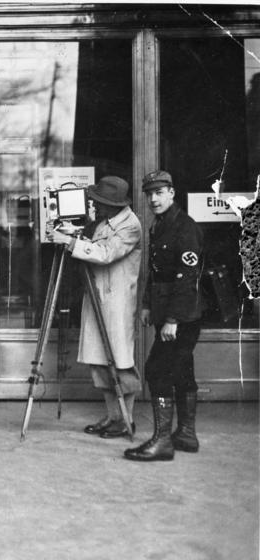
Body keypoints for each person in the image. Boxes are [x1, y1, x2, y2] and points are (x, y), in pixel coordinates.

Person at [47, 176, 142, 439]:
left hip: (117, 303)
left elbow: (105, 253)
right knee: (100, 362)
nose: (95, 205)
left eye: (99, 202)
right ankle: (113, 416)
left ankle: (126, 419)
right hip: (98, 297)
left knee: (120, 362)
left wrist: (70, 243)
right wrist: (74, 234)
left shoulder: (130, 226)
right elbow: (93, 244)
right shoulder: (103, 221)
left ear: (113, 203)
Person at [124, 170, 204, 462]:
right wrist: (146, 304)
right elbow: (155, 273)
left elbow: (186, 279)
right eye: (149, 194)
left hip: (182, 318)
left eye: (159, 193)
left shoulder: (186, 228)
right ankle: (185, 434)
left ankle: (162, 442)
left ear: (172, 192)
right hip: (167, 313)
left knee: (157, 371)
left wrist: (172, 320)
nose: (153, 199)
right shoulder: (159, 226)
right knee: (182, 372)